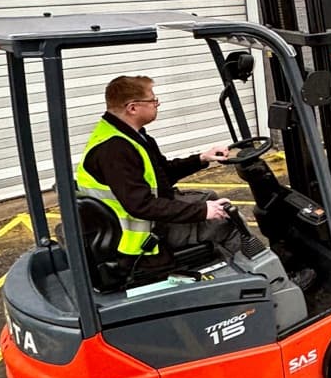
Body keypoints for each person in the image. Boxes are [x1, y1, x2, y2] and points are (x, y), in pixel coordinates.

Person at [76, 74, 237, 268]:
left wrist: (202, 158)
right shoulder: (115, 150)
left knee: (210, 197)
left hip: (143, 219)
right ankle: (265, 280)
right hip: (141, 238)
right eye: (153, 100)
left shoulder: (131, 136)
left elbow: (163, 174)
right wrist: (203, 212)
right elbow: (141, 205)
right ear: (133, 108)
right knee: (228, 222)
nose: (156, 104)